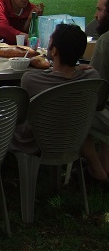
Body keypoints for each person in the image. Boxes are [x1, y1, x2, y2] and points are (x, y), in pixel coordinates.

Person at [12, 23, 107, 181]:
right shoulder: (92, 77)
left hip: (34, 143)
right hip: (72, 139)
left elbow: (21, 116)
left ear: (54, 50)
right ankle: (96, 169)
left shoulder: (31, 80)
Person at [87, 0, 109, 182]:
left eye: (100, 10)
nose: (96, 15)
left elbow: (96, 87)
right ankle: (104, 161)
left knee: (73, 111)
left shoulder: (106, 40)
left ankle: (96, 169)